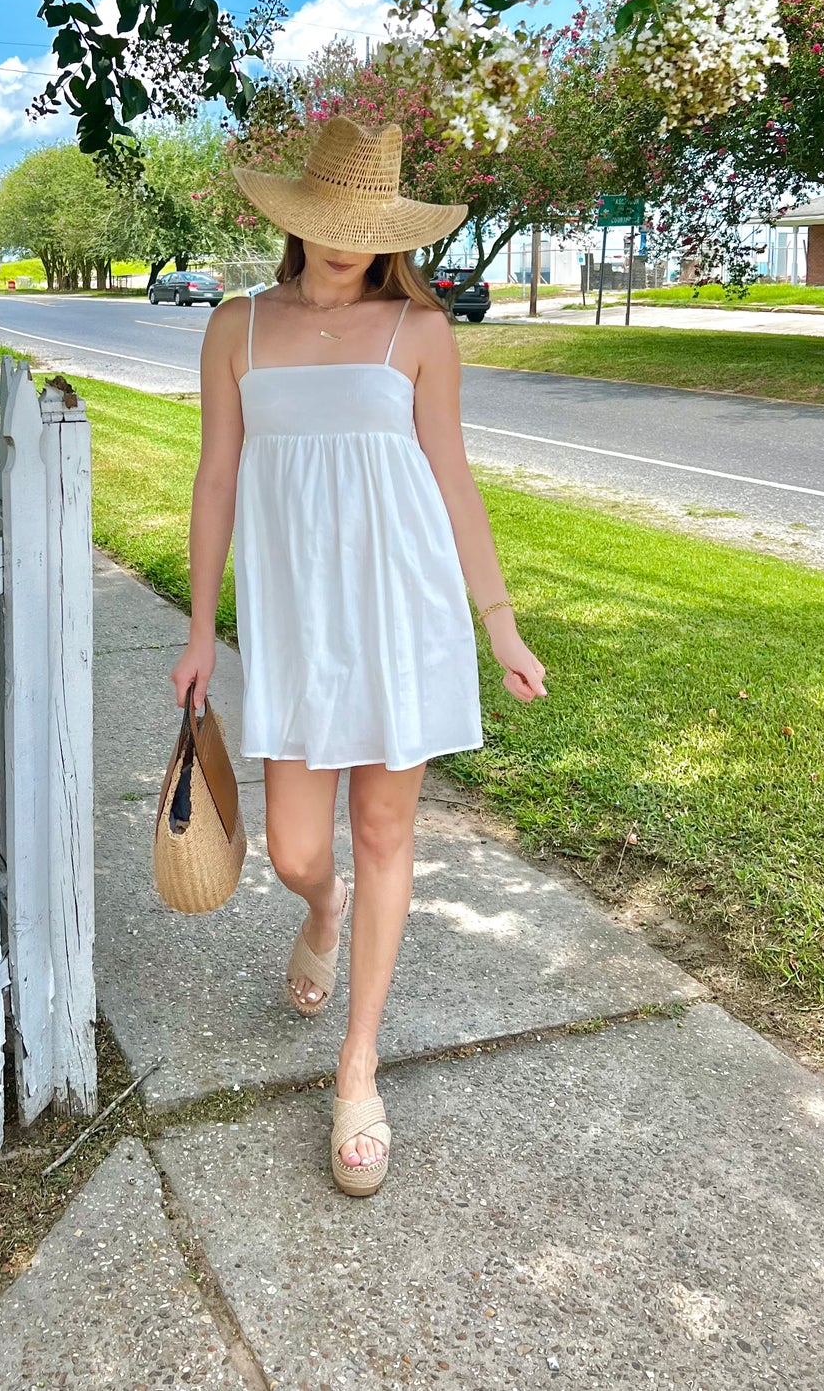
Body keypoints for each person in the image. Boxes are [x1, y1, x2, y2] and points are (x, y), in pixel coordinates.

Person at [170, 115, 546, 1196]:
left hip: (403, 614)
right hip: (296, 627)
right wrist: (199, 628)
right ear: (295, 220)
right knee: (294, 851)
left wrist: (498, 621)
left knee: (386, 834)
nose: (347, 241)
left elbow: (452, 480)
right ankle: (321, 911)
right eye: (329, 221)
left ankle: (357, 1066)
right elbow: (213, 482)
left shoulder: (419, 331)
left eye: (368, 225)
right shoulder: (236, 327)